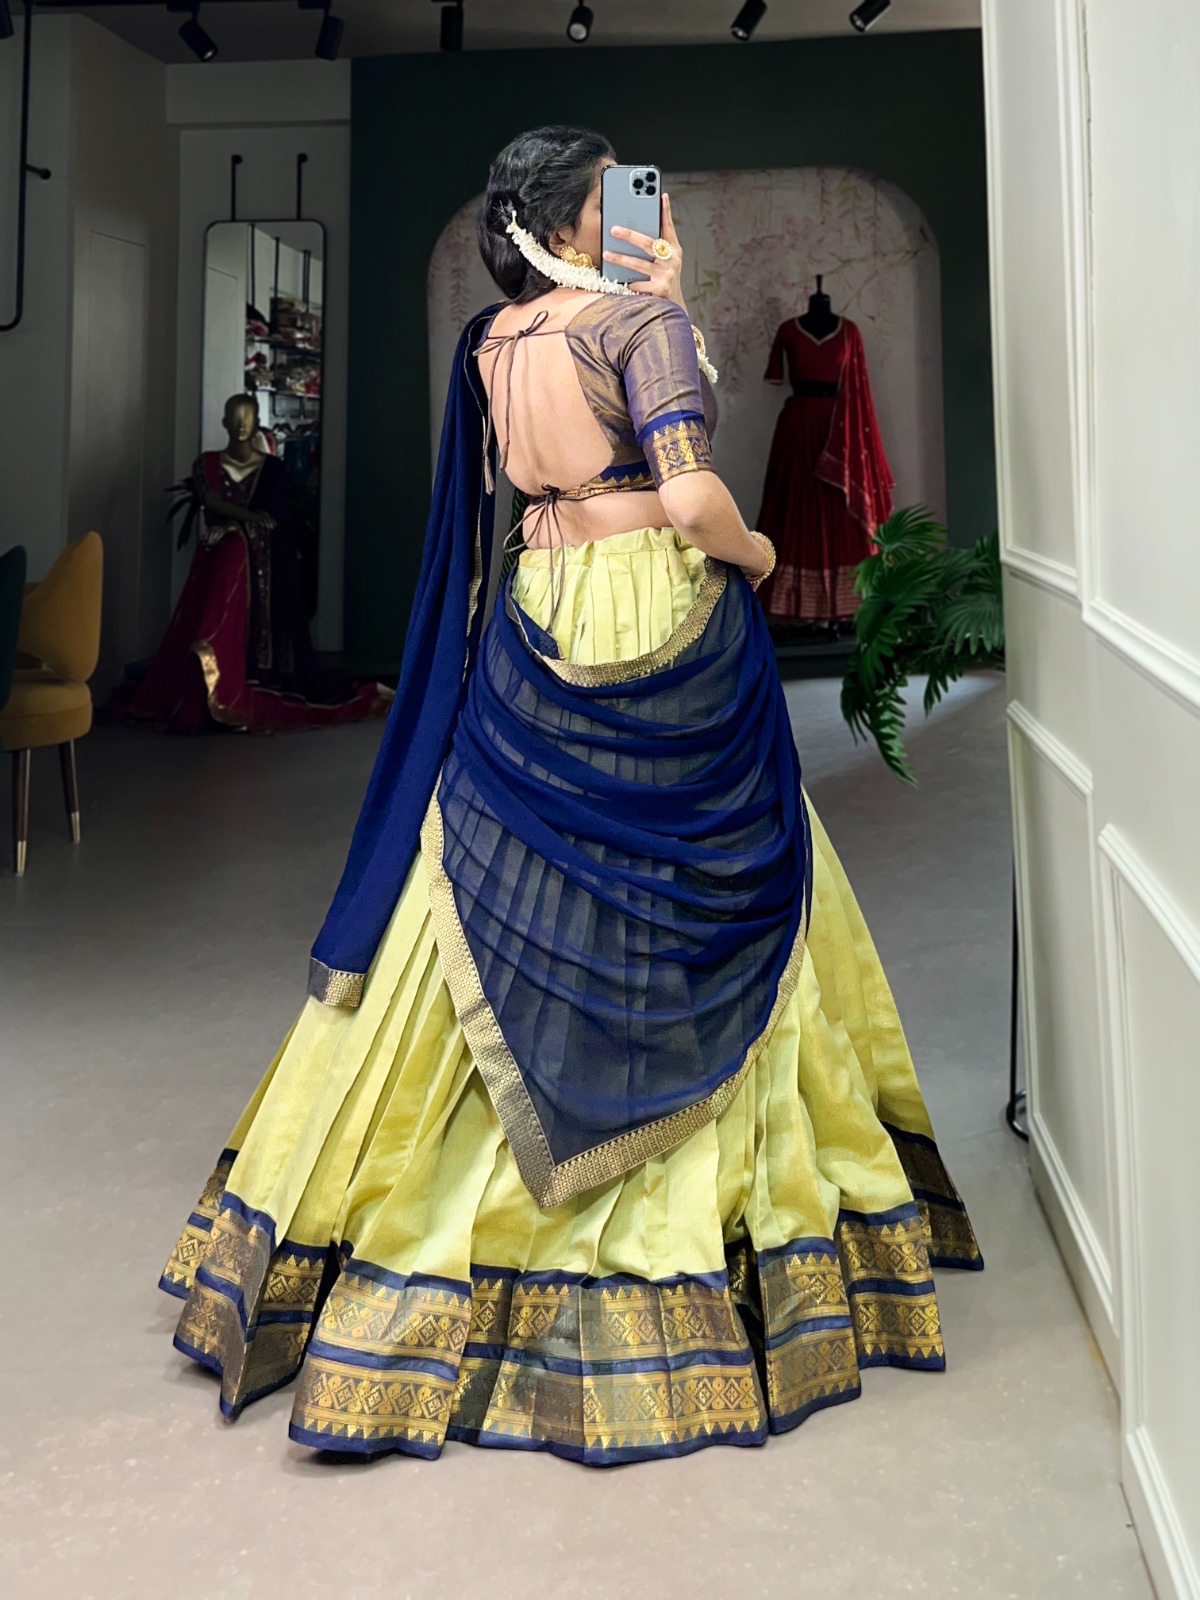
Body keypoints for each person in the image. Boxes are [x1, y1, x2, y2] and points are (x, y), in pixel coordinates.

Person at [160, 127, 982, 1467]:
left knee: (496, 880)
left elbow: (510, 493)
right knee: (698, 876)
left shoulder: (491, 339)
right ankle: (681, 1176)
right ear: (563, 221)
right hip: (656, 604)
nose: (628, 212)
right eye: (609, 198)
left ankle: (430, 1218)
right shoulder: (637, 327)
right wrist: (760, 550)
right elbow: (690, 496)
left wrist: (670, 302)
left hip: (538, 610)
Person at [120, 392, 383, 733]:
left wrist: (238, 528)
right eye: (235, 416)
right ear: (224, 422)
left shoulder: (271, 470)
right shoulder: (207, 465)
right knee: (229, 554)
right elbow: (212, 502)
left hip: (256, 560)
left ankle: (230, 675)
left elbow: (275, 523)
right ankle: (212, 675)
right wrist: (245, 521)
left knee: (235, 551)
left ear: (257, 421)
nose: (241, 424)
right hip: (218, 555)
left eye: (248, 416)